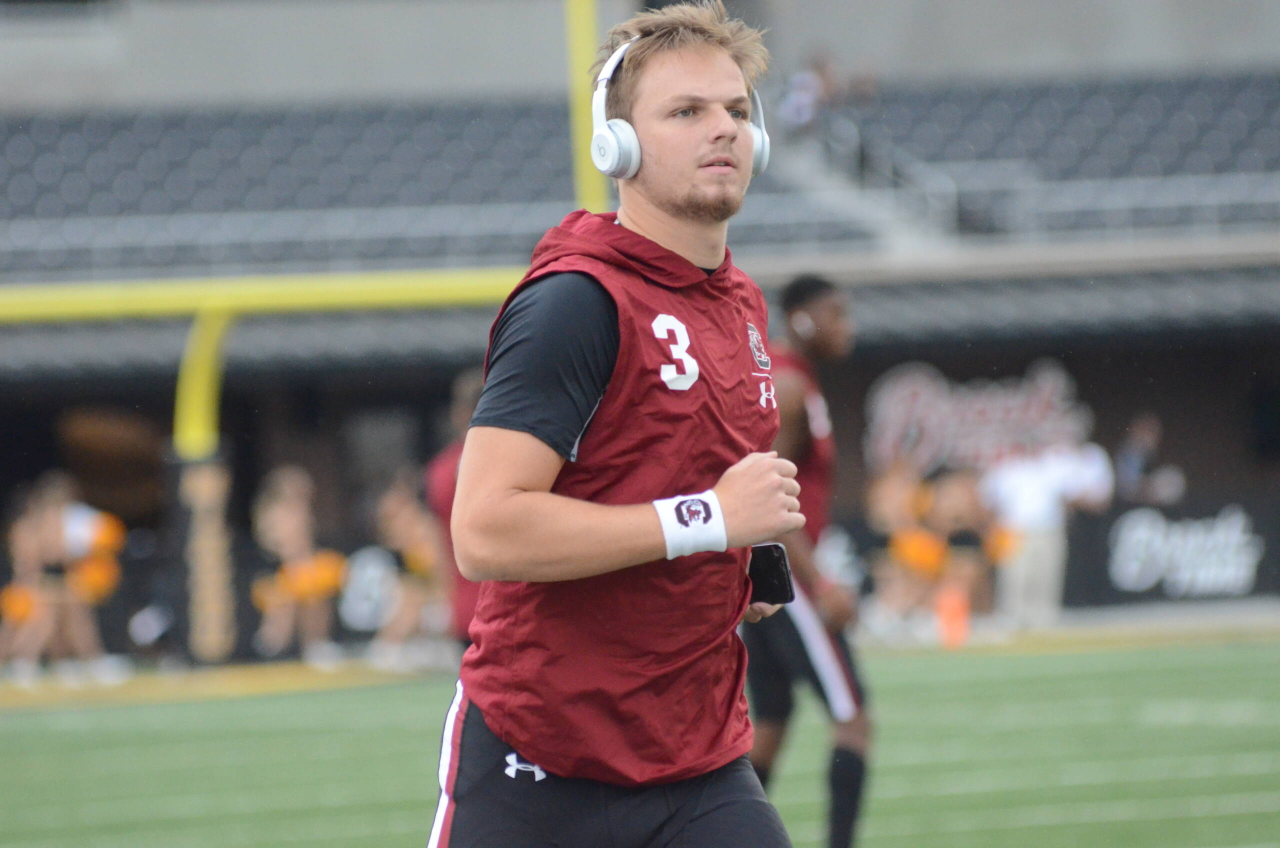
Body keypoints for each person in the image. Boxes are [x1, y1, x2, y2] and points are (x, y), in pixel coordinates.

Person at [433, 4, 802, 846]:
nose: (725, 130)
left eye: (738, 112)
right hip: (544, 762)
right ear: (619, 146)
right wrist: (709, 521)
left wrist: (746, 562)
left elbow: (693, 475)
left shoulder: (738, 300)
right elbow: (485, 529)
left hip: (699, 757)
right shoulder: (577, 301)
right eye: (687, 111)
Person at [740, 274, 869, 848]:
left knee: (769, 724)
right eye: (836, 314)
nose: (849, 327)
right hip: (787, 579)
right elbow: (767, 495)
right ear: (804, 318)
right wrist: (822, 583)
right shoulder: (789, 387)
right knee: (854, 719)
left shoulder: (797, 382)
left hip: (770, 575)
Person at [250, 466, 346, 668]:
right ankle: (270, 649)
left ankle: (315, 646)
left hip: (303, 571)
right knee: (287, 599)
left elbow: (308, 548)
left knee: (316, 591)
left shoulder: (304, 512)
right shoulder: (271, 512)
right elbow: (274, 549)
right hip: (277, 574)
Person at [424, 367, 484, 650]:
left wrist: (443, 598)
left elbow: (437, 542)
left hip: (462, 605)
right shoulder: (508, 464)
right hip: (508, 604)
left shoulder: (439, 470)